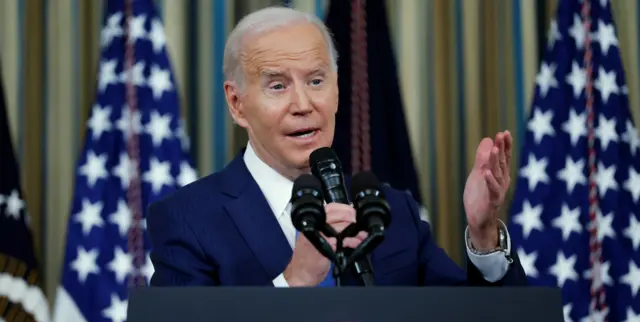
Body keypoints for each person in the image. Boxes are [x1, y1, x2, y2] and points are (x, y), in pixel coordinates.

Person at [147, 6, 528, 287]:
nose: (303, 105)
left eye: (316, 81)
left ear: (337, 89)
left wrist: (483, 234)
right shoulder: (188, 221)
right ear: (237, 103)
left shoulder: (391, 210)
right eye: (278, 86)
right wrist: (295, 281)